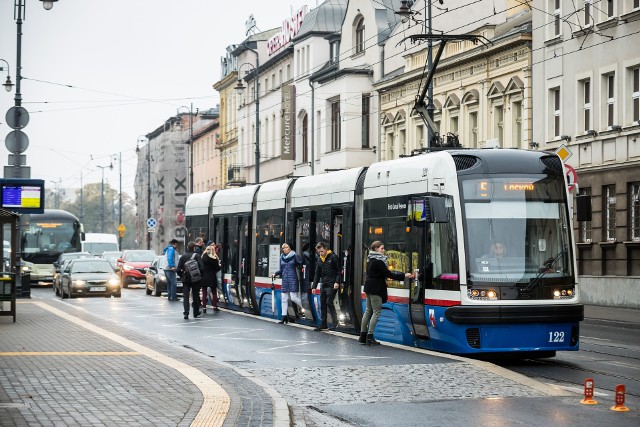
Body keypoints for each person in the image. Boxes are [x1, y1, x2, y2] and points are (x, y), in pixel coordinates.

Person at [360, 241, 413, 345]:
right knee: (376, 312)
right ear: (376, 249)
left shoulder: (370, 259)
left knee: (368, 311)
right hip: (376, 288)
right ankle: (370, 336)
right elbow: (389, 274)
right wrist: (404, 276)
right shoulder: (379, 261)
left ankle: (362, 336)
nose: (384, 251)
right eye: (382, 248)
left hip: (368, 287)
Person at [311, 241, 341, 331]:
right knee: (322, 303)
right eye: (319, 252)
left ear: (326, 249)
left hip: (332, 284)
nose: (321, 253)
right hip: (324, 284)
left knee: (329, 302)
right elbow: (317, 274)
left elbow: (339, 271)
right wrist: (314, 286)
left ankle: (335, 322)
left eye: (322, 251)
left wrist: (337, 282)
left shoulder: (333, 257)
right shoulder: (320, 259)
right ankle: (323, 324)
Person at [271, 243, 303, 324]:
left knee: (293, 298)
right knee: (284, 299)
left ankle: (304, 307)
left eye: (286, 247)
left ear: (290, 248)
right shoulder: (281, 257)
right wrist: (275, 273)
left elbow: (301, 264)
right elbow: (281, 270)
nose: (285, 249)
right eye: (283, 248)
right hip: (285, 279)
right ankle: (284, 317)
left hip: (293, 279)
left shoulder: (294, 255)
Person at [177, 241, 204, 320]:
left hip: (186, 280)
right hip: (196, 279)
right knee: (195, 296)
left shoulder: (183, 257)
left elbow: (178, 269)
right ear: (194, 248)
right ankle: (195, 313)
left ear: (187, 247)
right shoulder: (197, 256)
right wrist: (200, 276)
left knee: (186, 296)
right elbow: (202, 268)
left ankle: (186, 313)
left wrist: (182, 276)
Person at [202, 240, 222, 313]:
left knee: (204, 293)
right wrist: (220, 266)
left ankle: (204, 308)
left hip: (204, 276)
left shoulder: (203, 256)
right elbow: (217, 268)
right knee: (214, 292)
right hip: (212, 276)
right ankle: (214, 306)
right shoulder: (214, 258)